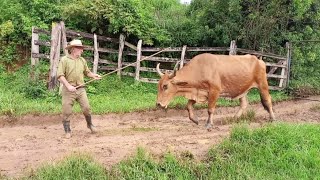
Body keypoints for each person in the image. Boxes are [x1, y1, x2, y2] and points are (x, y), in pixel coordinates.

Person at [57, 39, 101, 138]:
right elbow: (60, 76)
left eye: (81, 48)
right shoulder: (64, 60)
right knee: (66, 110)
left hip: (81, 89)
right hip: (68, 90)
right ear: (72, 49)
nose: (82, 50)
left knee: (86, 108)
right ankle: (67, 131)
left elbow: (87, 72)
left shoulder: (82, 60)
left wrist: (94, 76)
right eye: (79, 48)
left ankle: (90, 125)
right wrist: (68, 86)